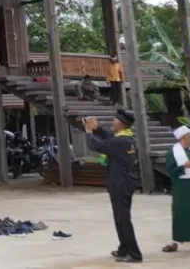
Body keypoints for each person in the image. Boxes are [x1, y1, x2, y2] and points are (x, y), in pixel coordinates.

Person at [83, 110, 142, 264]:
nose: (112, 123)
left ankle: (134, 254)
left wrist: (89, 131)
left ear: (121, 124)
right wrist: (97, 128)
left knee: (123, 219)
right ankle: (124, 248)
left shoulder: (120, 142)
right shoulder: (126, 138)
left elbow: (95, 145)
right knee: (120, 218)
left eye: (114, 121)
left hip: (120, 184)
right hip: (125, 182)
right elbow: (109, 137)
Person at [162, 126, 190, 254]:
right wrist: (184, 166)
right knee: (180, 214)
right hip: (182, 188)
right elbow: (171, 171)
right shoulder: (172, 153)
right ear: (183, 138)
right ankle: (175, 242)